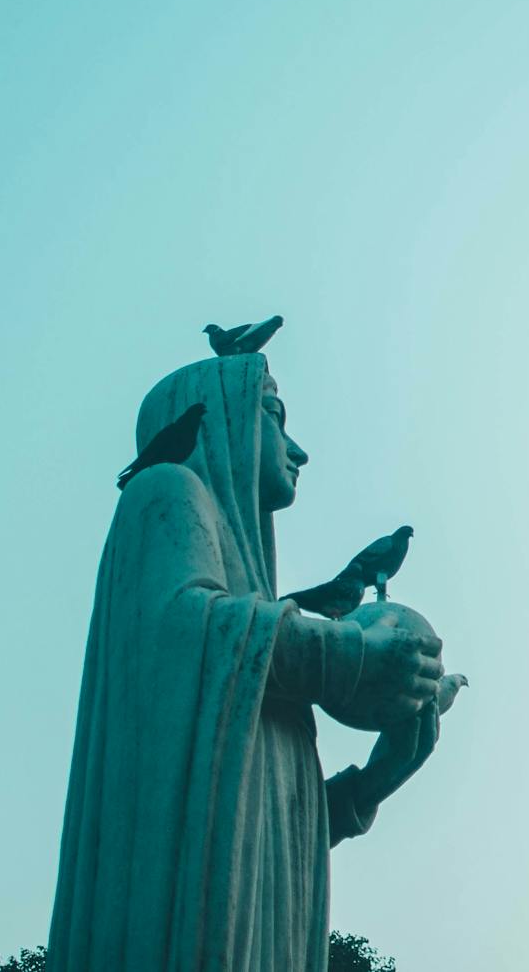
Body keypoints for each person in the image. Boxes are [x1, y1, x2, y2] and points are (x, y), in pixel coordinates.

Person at [48, 353, 443, 971]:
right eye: (274, 417)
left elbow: (261, 828)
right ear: (221, 419)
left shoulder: (250, 616)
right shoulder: (165, 491)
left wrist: (371, 783)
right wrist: (349, 656)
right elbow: (182, 628)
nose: (297, 450)